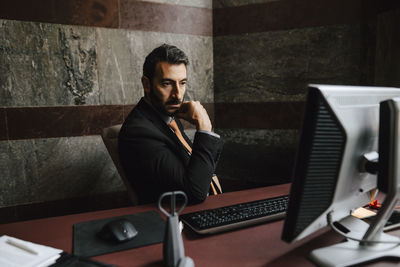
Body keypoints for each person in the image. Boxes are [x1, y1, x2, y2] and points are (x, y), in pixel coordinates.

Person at [118, 44, 223, 204]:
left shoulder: (167, 117)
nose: (178, 95)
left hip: (209, 207)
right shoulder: (138, 132)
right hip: (176, 220)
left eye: (182, 83)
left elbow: (198, 170)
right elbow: (194, 193)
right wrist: (204, 127)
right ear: (147, 84)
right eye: (167, 84)